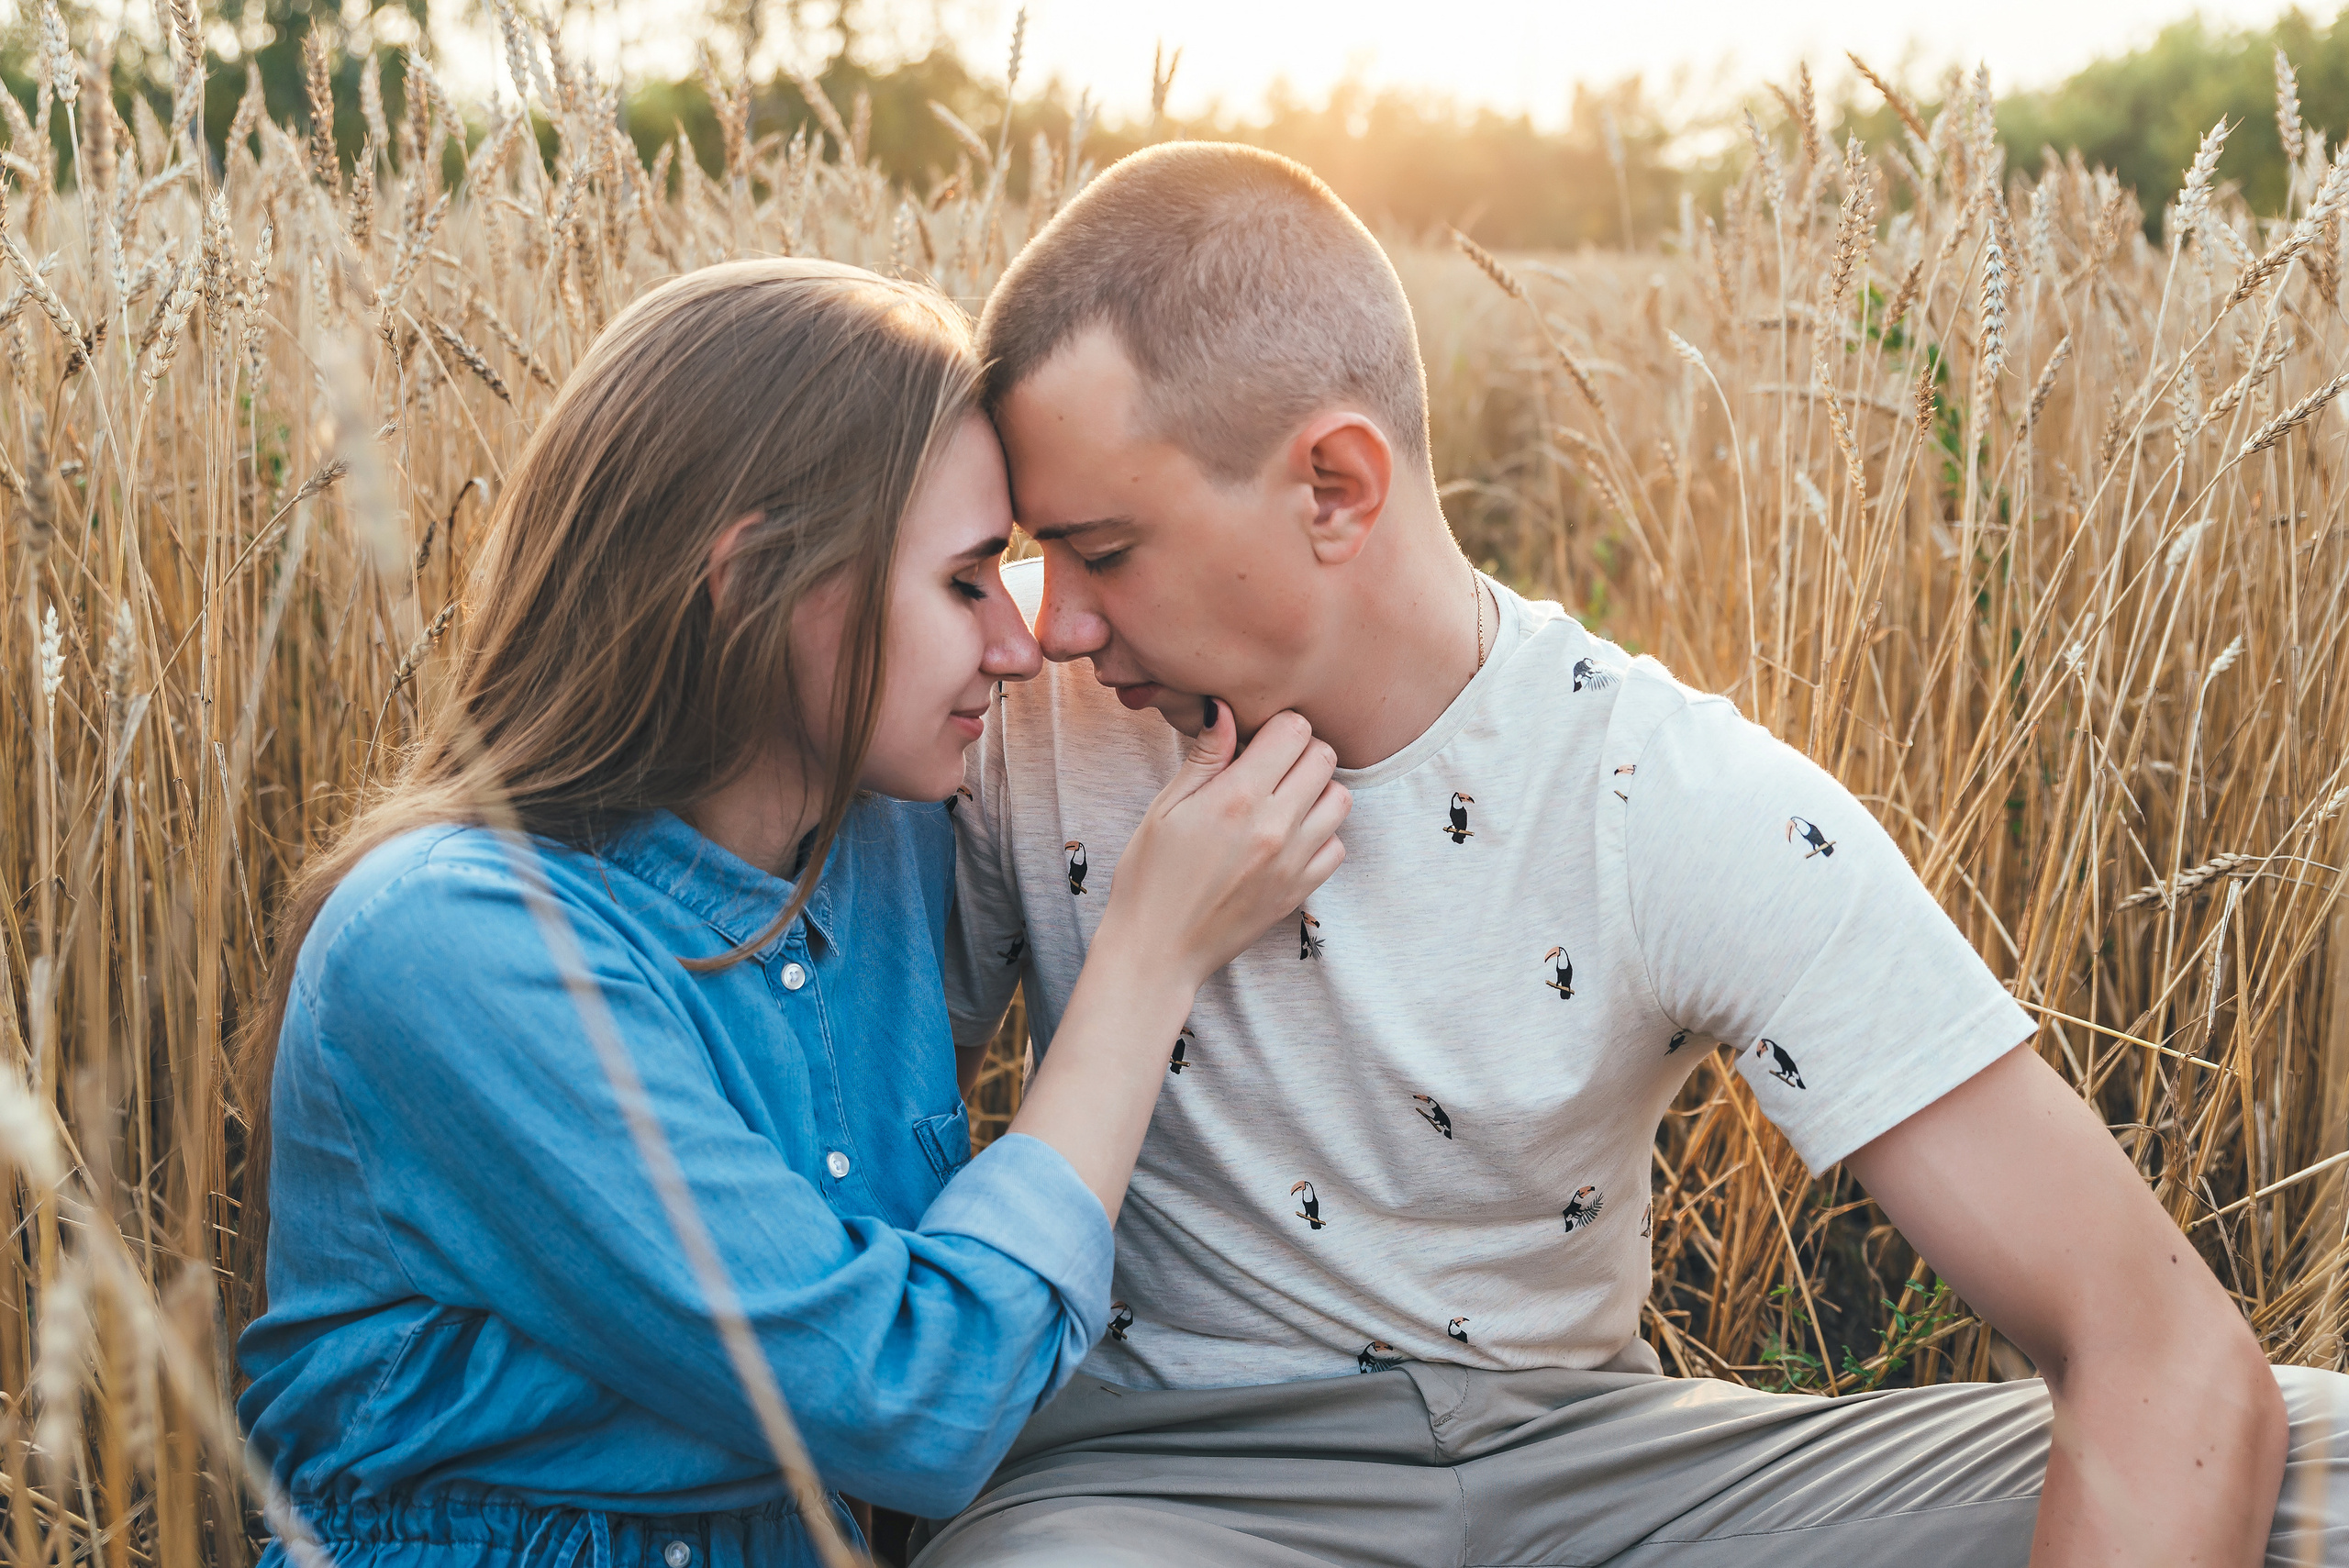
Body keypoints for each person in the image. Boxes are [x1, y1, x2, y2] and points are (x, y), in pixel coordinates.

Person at [922, 144, 2349, 1565]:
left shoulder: (1656, 791)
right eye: (1044, 555)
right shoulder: (1005, 705)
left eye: (1102, 551)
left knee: (2320, 1465)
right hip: (1164, 1490)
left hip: (1590, 1473)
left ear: (1337, 488)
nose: (1052, 626)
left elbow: (2154, 1338)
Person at [233, 258, 1350, 1568]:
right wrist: (1150, 955)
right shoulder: (455, 948)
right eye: (966, 580)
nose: (1020, 641)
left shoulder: (878, 841)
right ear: (756, 580)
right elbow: (912, 1396)